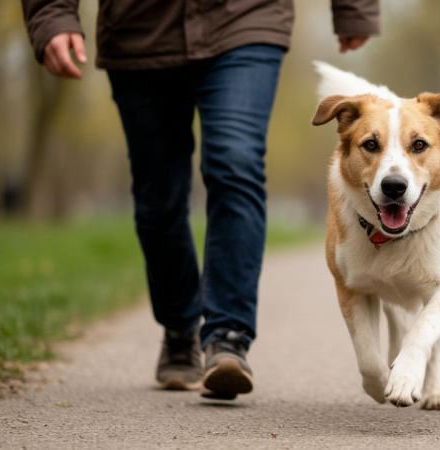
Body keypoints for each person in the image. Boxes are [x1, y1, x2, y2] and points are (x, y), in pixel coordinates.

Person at [22, 0, 379, 400]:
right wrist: (51, 14)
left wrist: (354, 9)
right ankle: (179, 327)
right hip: (139, 29)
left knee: (237, 163)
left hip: (245, 18)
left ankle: (228, 336)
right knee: (158, 194)